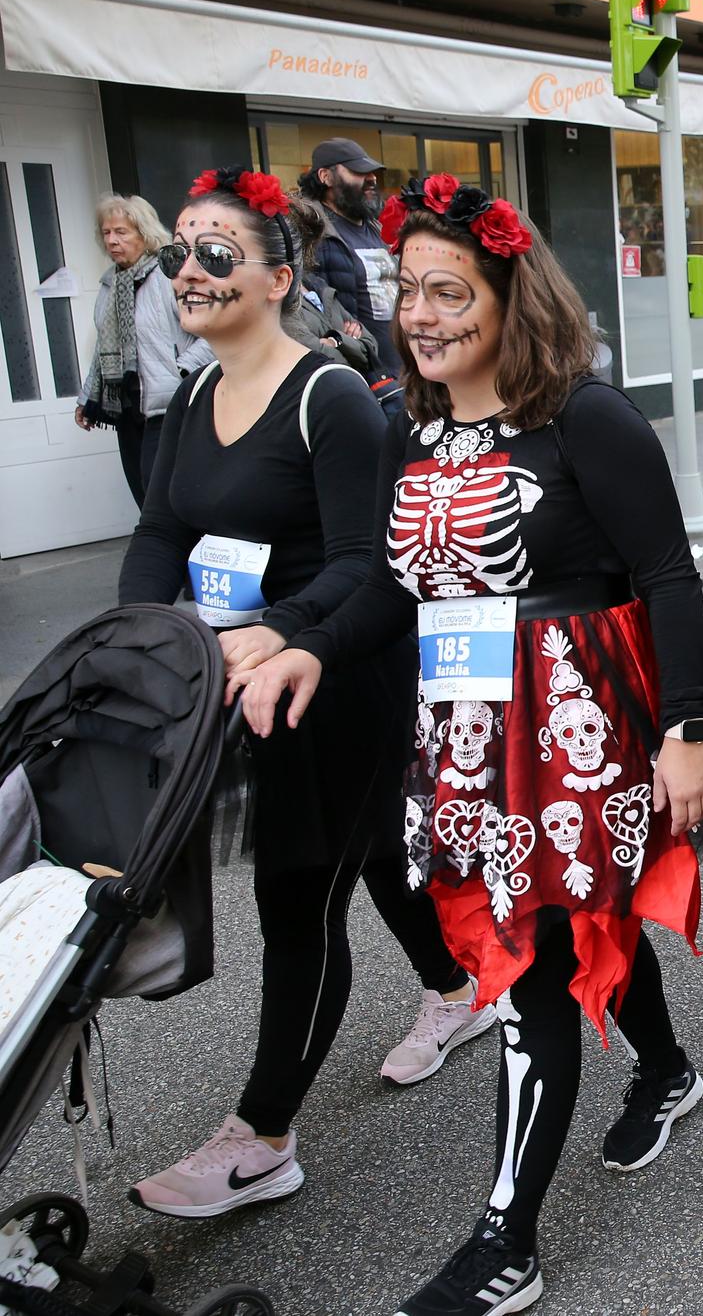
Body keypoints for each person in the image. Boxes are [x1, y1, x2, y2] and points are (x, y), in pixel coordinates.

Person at [239, 172, 703, 1316]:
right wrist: (305, 641)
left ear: (511, 294)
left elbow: (663, 571)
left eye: (451, 289)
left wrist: (688, 730)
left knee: (534, 965)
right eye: (409, 289)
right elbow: (387, 588)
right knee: (564, 929)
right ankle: (666, 1065)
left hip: (575, 732)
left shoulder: (584, 417)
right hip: (460, 731)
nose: (423, 311)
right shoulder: (412, 426)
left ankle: (506, 1238)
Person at [116, 168, 483, 1220]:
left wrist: (273, 627)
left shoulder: (327, 397)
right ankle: (457, 989)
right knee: (368, 854)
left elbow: (376, 564)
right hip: (240, 682)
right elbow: (159, 533)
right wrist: (146, 629)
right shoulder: (192, 393)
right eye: (182, 248)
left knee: (298, 894)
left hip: (344, 677)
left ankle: (264, 1135)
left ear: (279, 277)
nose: (189, 267)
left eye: (217, 250)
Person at [75, 192, 205, 505]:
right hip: (126, 404)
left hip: (168, 399)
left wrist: (182, 370)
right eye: (107, 232)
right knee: (142, 492)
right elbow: (102, 348)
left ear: (144, 235)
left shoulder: (168, 276)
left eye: (121, 232)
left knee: (159, 490)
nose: (112, 240)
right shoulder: (109, 285)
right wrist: (87, 399)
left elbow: (211, 331)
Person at [295, 137, 398, 381]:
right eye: (358, 171)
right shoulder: (313, 232)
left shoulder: (375, 226)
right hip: (363, 372)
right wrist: (341, 339)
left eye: (372, 172)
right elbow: (313, 304)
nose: (371, 178)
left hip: (403, 369)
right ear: (325, 177)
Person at [287, 191, 381, 378]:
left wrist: (335, 340)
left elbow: (370, 345)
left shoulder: (318, 288)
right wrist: (348, 341)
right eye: (302, 239)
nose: (308, 248)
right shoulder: (282, 301)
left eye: (310, 240)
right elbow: (322, 360)